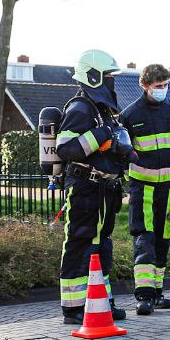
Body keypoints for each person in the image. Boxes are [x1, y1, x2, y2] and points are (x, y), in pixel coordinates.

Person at [55, 49, 132, 324]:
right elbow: (66, 148)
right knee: (80, 243)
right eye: (109, 76)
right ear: (94, 76)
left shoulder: (104, 111)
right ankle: (74, 307)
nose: (113, 81)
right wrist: (101, 135)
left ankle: (100, 300)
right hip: (85, 188)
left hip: (105, 189)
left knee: (101, 246)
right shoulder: (81, 108)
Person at [120, 63, 170, 315]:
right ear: (145, 86)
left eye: (166, 85)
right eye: (158, 86)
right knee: (144, 239)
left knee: (163, 240)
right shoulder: (130, 115)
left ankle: (157, 293)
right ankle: (144, 296)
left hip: (169, 188)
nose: (163, 90)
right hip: (143, 188)